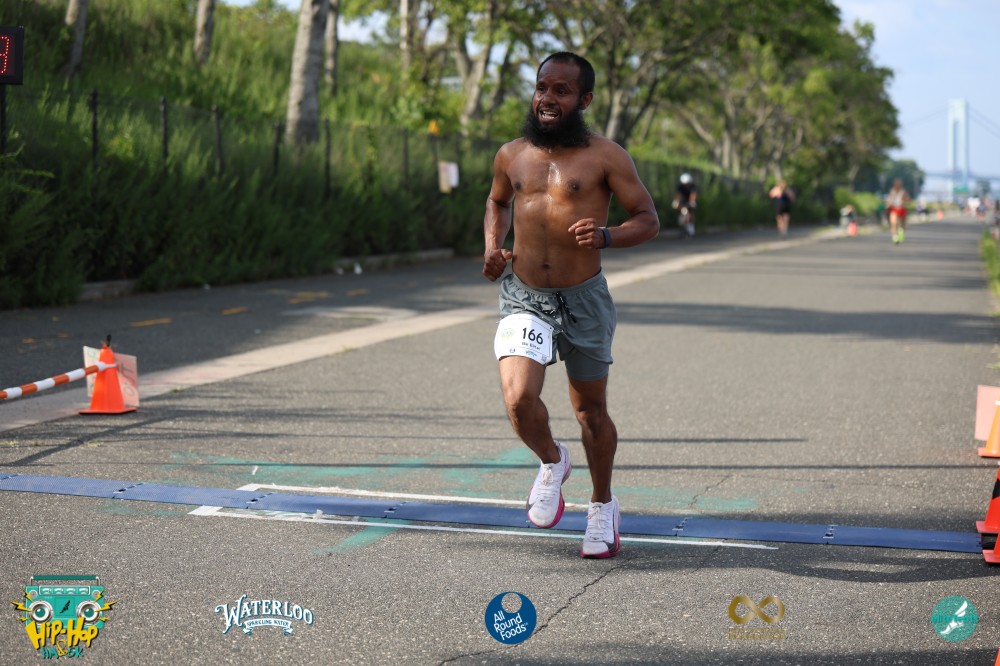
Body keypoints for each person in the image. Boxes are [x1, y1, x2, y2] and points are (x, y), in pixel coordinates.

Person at [481, 52, 660, 559]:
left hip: (584, 300)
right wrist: (493, 246)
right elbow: (496, 201)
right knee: (519, 399)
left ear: (584, 100)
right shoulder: (511, 154)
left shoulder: (606, 156)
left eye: (561, 91)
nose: (547, 99)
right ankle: (552, 460)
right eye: (542, 88)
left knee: (591, 412)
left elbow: (647, 219)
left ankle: (602, 505)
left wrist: (606, 235)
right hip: (525, 296)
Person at [673, 172, 697, 237]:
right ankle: (682, 227)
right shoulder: (680, 187)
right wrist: (676, 202)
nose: (685, 185)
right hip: (683, 202)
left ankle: (691, 227)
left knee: (691, 212)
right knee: (681, 212)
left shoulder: (692, 187)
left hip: (689, 202)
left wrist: (692, 202)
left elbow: (693, 195)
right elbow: (678, 195)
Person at [886, 178, 910, 244]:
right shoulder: (892, 192)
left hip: (901, 209)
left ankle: (901, 233)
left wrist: (904, 200)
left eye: (898, 184)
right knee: (893, 223)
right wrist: (888, 204)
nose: (897, 186)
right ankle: (894, 236)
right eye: (896, 184)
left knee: (902, 224)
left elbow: (908, 199)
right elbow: (889, 200)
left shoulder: (903, 192)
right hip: (894, 209)